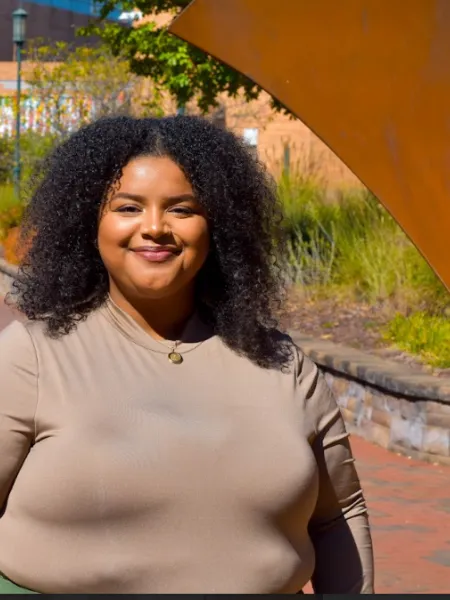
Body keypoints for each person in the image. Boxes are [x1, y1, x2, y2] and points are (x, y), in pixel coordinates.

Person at [0, 115, 374, 594]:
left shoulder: (281, 363)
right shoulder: (31, 358)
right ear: (89, 222)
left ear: (217, 225)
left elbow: (338, 516)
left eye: (182, 209)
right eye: (129, 207)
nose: (155, 228)